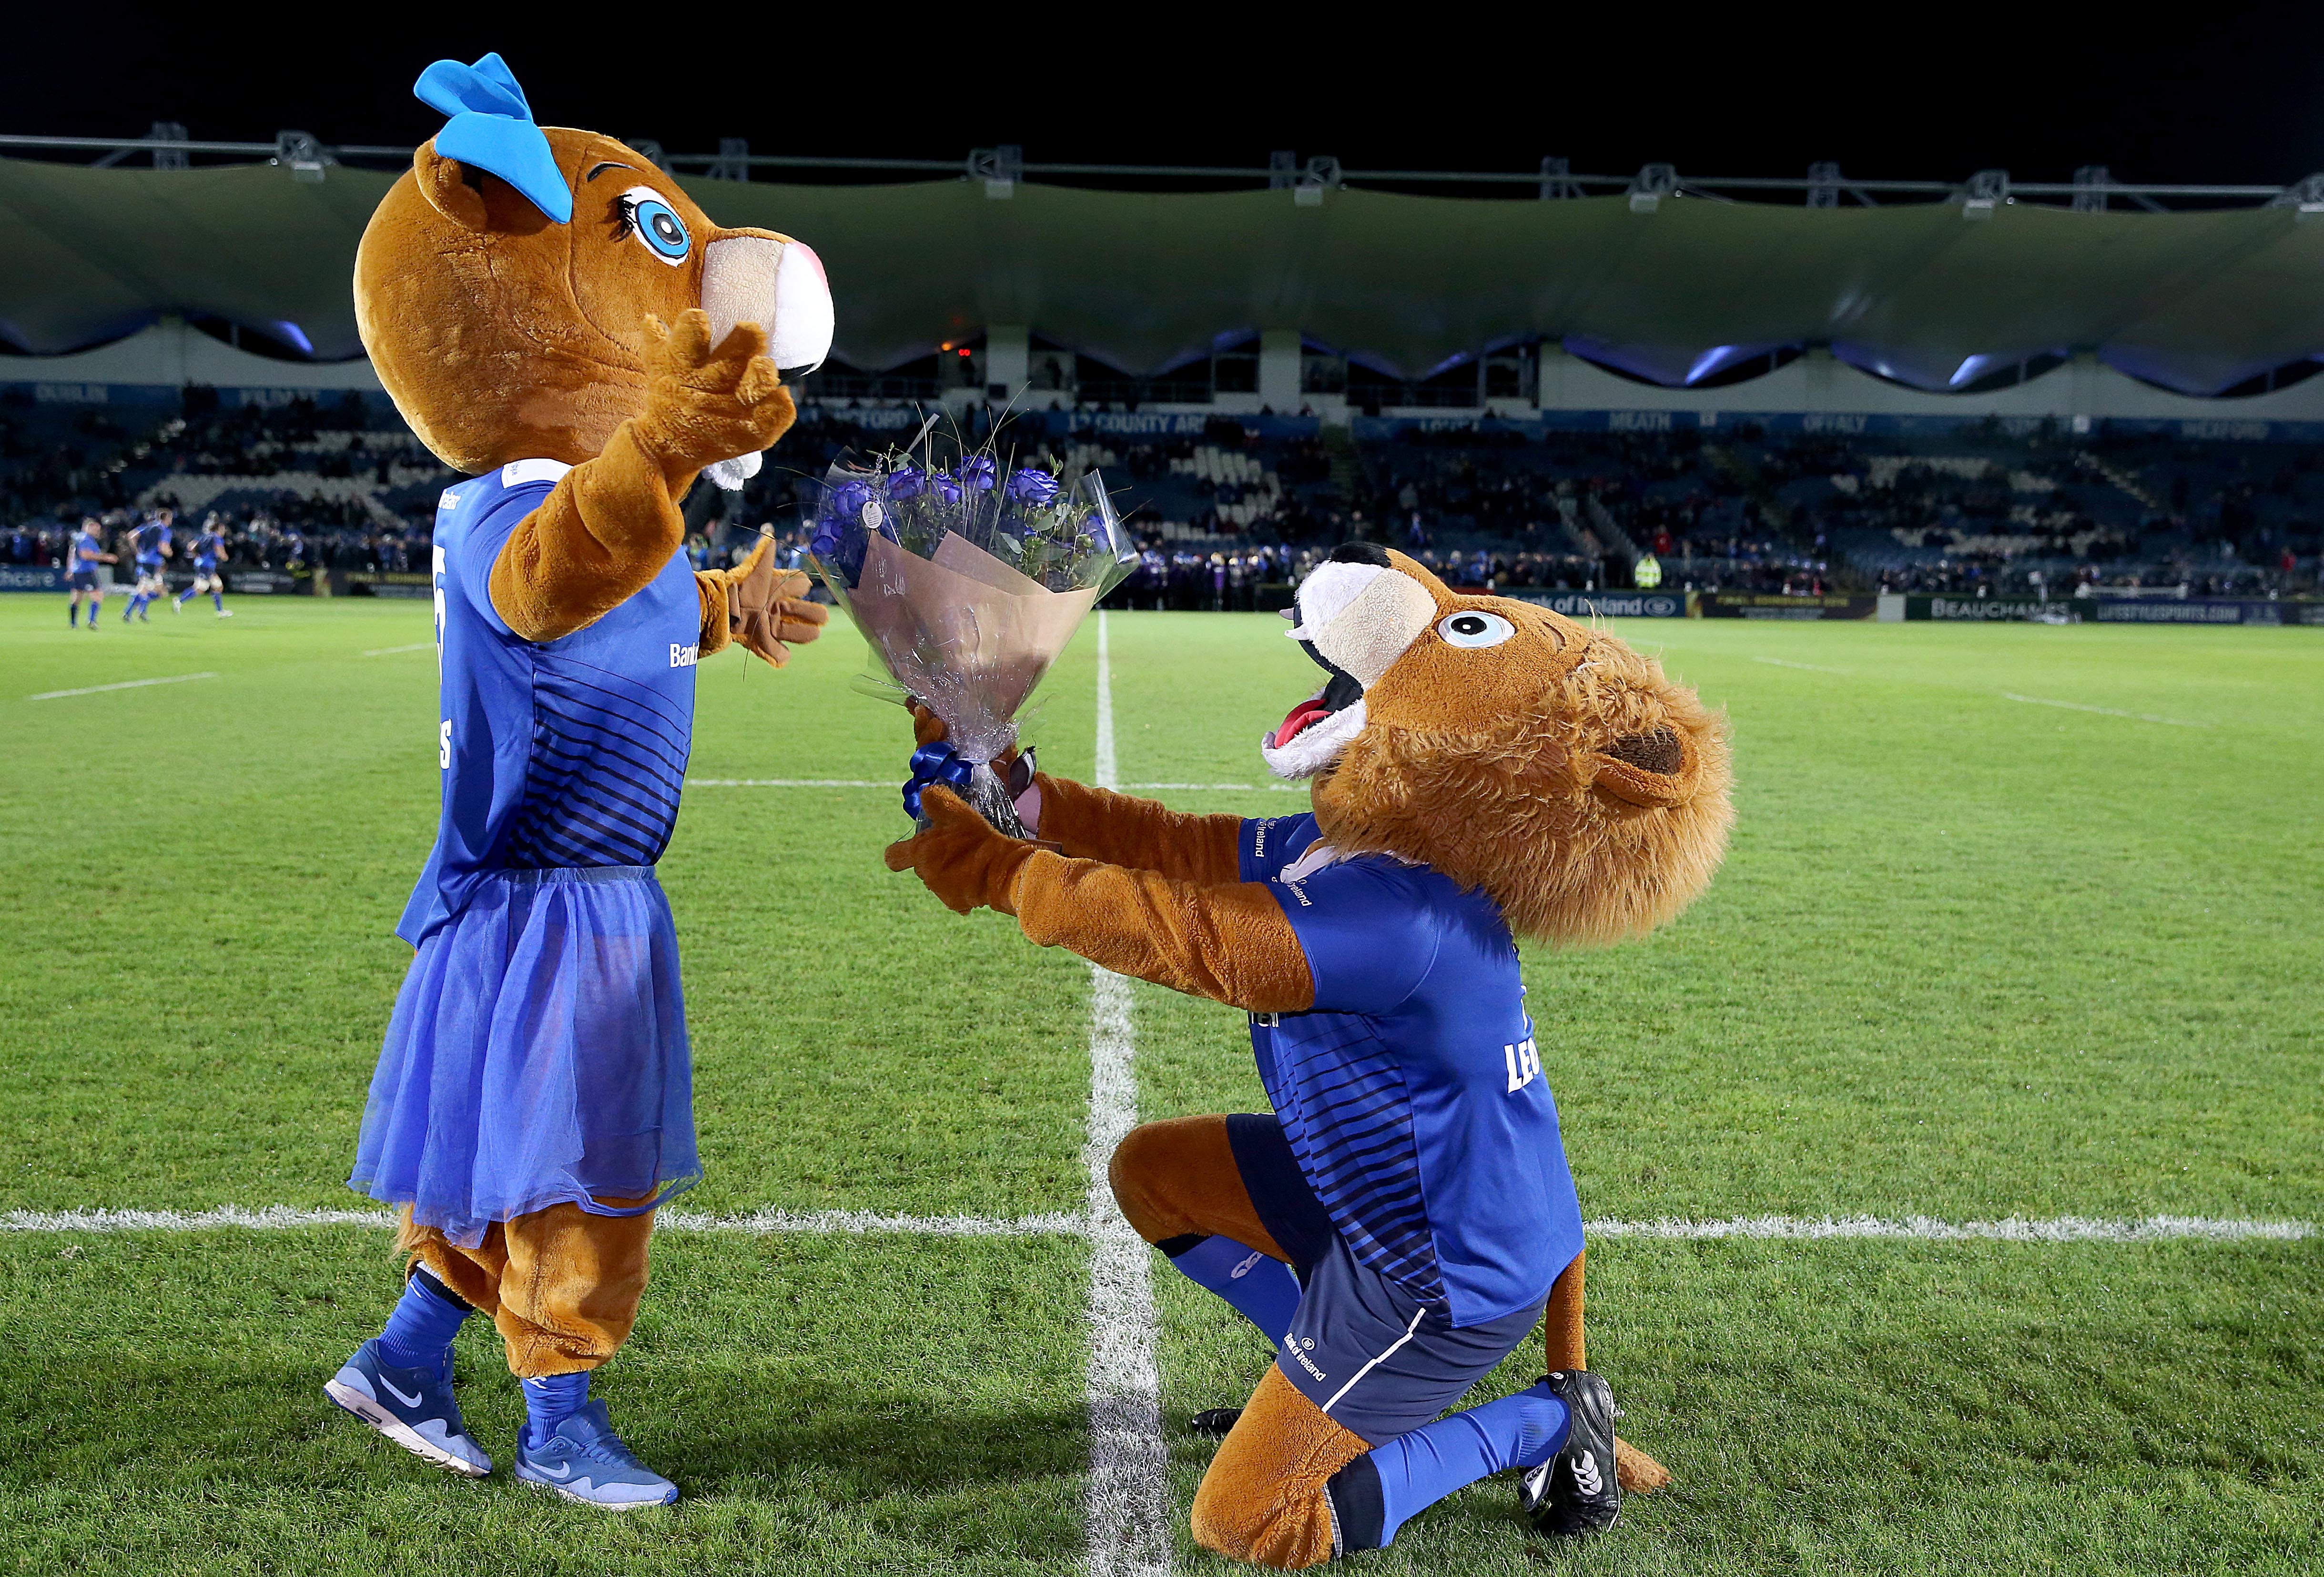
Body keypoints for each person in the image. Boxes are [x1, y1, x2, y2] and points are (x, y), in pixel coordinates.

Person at [173, 514, 232, 617]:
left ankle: (220, 611)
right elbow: (220, 552)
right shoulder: (217, 538)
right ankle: (179, 601)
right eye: (223, 529)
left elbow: (191, 547)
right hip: (207, 565)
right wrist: (225, 557)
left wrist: (197, 555)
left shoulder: (204, 536)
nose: (224, 531)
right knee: (200, 589)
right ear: (217, 529)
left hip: (202, 563)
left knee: (218, 586)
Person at [122, 509, 173, 622]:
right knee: (146, 589)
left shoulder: (148, 527)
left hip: (144, 561)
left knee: (158, 590)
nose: (171, 521)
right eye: (170, 518)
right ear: (167, 519)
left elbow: (131, 536)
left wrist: (138, 552)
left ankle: (138, 611)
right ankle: (131, 612)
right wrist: (170, 553)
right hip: (152, 562)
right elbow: (163, 548)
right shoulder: (165, 531)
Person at [66, 517, 112, 628]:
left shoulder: (79, 538)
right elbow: (86, 556)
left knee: (77, 597)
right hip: (86, 571)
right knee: (98, 596)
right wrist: (106, 557)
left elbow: (72, 554)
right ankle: (92, 621)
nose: (98, 532)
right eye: (96, 529)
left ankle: (73, 624)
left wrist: (70, 569)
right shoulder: (86, 539)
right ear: (88, 527)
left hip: (77, 571)